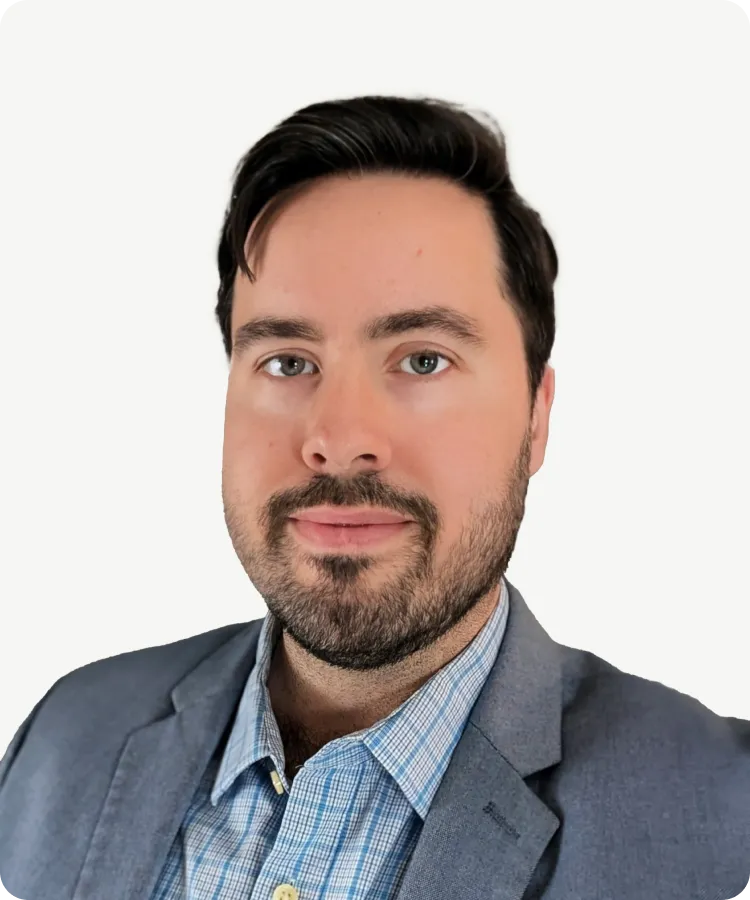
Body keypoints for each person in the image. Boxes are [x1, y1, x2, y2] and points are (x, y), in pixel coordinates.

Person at [0, 94, 747, 900]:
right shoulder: (65, 737)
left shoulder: (725, 811)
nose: (339, 435)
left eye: (422, 359)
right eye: (287, 361)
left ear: (535, 420)